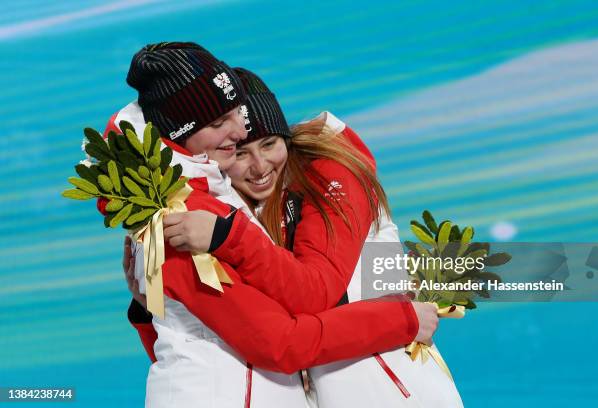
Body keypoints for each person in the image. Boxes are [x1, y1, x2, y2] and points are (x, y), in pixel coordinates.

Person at [110, 42, 438, 408]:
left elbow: (316, 294)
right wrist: (154, 308)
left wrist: (407, 312)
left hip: (397, 391)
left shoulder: (326, 172)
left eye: (268, 143)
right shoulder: (192, 213)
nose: (259, 165)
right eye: (239, 151)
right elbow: (238, 342)